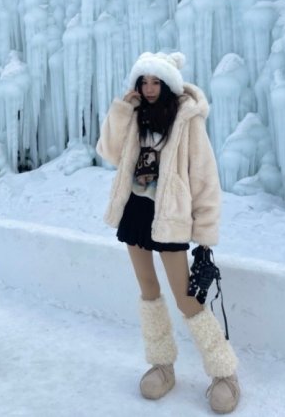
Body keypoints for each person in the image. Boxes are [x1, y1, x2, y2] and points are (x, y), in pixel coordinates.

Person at [96, 51, 240, 414]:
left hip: (172, 217)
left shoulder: (187, 121)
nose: (147, 88)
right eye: (143, 81)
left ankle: (224, 372)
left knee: (186, 298)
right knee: (148, 292)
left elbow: (205, 179)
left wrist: (206, 238)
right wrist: (121, 109)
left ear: (168, 84)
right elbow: (108, 152)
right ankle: (163, 365)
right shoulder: (136, 117)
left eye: (155, 81)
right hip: (136, 211)